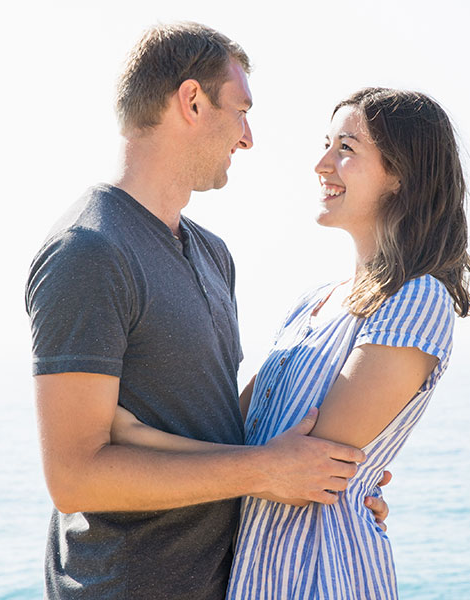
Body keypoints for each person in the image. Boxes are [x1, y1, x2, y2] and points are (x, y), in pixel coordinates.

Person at [25, 23, 389, 600]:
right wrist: (268, 470)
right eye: (241, 110)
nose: (248, 138)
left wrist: (339, 489)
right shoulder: (89, 251)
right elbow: (74, 477)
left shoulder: (213, 254)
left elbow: (222, 426)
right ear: (191, 101)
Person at [112, 88, 470, 599]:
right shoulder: (312, 303)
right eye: (326, 144)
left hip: (324, 577)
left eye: (346, 149)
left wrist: (137, 436)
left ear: (401, 175)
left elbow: (305, 467)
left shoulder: (417, 299)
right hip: (253, 576)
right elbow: (236, 436)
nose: (321, 164)